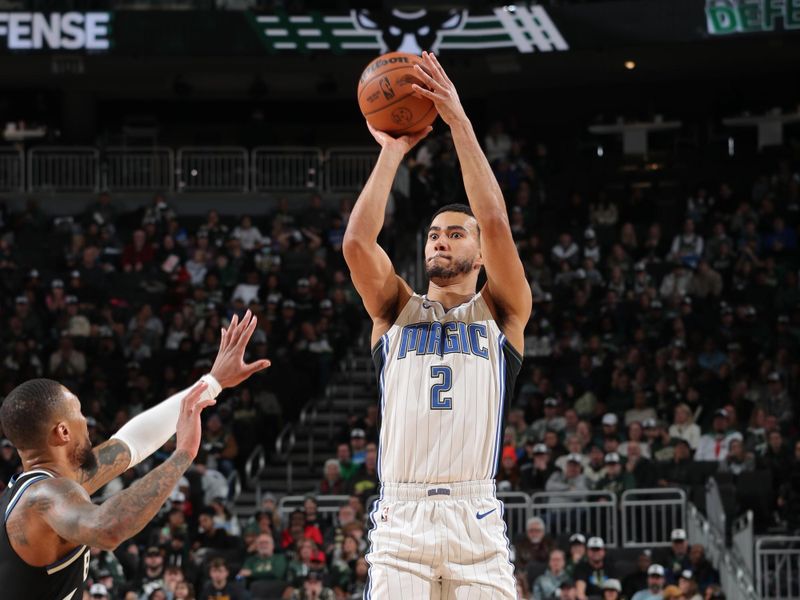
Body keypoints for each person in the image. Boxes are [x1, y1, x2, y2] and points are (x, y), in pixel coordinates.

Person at [342, 52, 531, 599]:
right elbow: (357, 244)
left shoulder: (502, 311)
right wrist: (393, 152)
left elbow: (495, 220)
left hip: (476, 517)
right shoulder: (394, 309)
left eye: (454, 233)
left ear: (478, 252)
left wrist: (458, 122)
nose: (440, 240)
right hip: (401, 518)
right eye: (432, 234)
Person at [0, 312, 269, 599]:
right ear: (63, 432)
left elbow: (130, 443)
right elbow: (106, 529)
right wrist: (182, 455)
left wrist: (213, 382)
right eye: (79, 412)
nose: (86, 422)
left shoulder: (41, 488)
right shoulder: (43, 497)